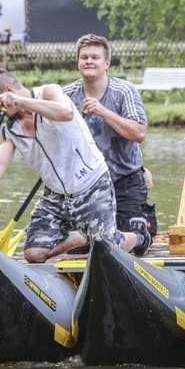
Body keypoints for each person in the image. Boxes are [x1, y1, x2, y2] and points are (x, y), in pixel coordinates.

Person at [0, 68, 151, 263]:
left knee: (107, 251)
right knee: (33, 254)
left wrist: (21, 101)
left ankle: (138, 237)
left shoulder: (48, 92)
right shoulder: (10, 130)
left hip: (92, 184)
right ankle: (80, 237)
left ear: (7, 90)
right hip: (55, 196)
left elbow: (65, 112)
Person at [62, 34, 157, 238]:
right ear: (78, 62)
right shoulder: (66, 95)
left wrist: (102, 111)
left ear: (107, 63)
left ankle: (144, 226)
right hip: (86, 184)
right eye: (84, 57)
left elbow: (139, 133)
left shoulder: (124, 91)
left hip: (125, 180)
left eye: (95, 57)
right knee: (81, 245)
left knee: (129, 241)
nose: (88, 61)